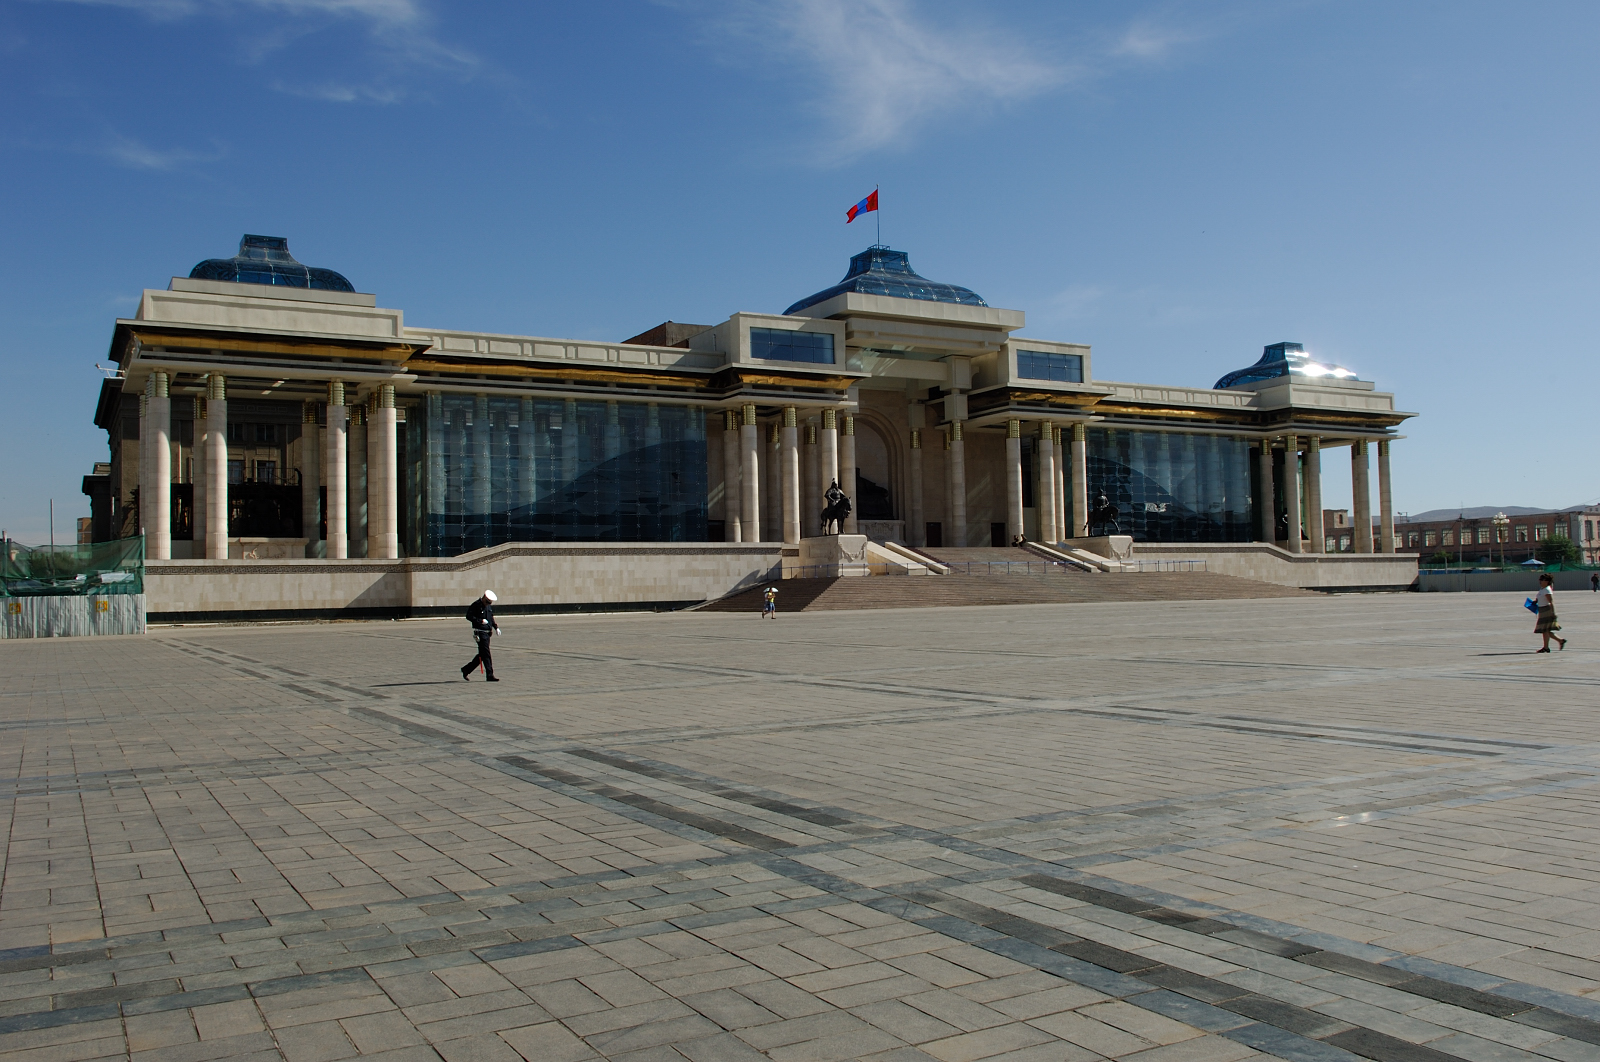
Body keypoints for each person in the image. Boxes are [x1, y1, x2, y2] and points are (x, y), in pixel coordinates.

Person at [462, 590, 502, 680]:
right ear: (484, 597)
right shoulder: (476, 605)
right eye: (487, 602)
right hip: (480, 632)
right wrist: (480, 621)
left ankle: (466, 670)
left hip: (487, 633)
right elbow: (468, 616)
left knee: (482, 654)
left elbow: (491, 617)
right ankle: (490, 675)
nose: (488, 604)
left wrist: (496, 627)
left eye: (489, 603)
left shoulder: (487, 606)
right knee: (486, 653)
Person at [1534, 573, 1566, 653]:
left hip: (1546, 611)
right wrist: (1535, 601)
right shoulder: (1542, 589)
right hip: (1542, 610)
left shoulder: (1547, 589)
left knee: (1545, 630)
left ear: (1547, 581)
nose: (1540, 581)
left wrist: (1553, 613)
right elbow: (1540, 598)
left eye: (1542, 580)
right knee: (1545, 630)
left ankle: (1546, 647)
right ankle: (1558, 641)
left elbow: (1551, 602)